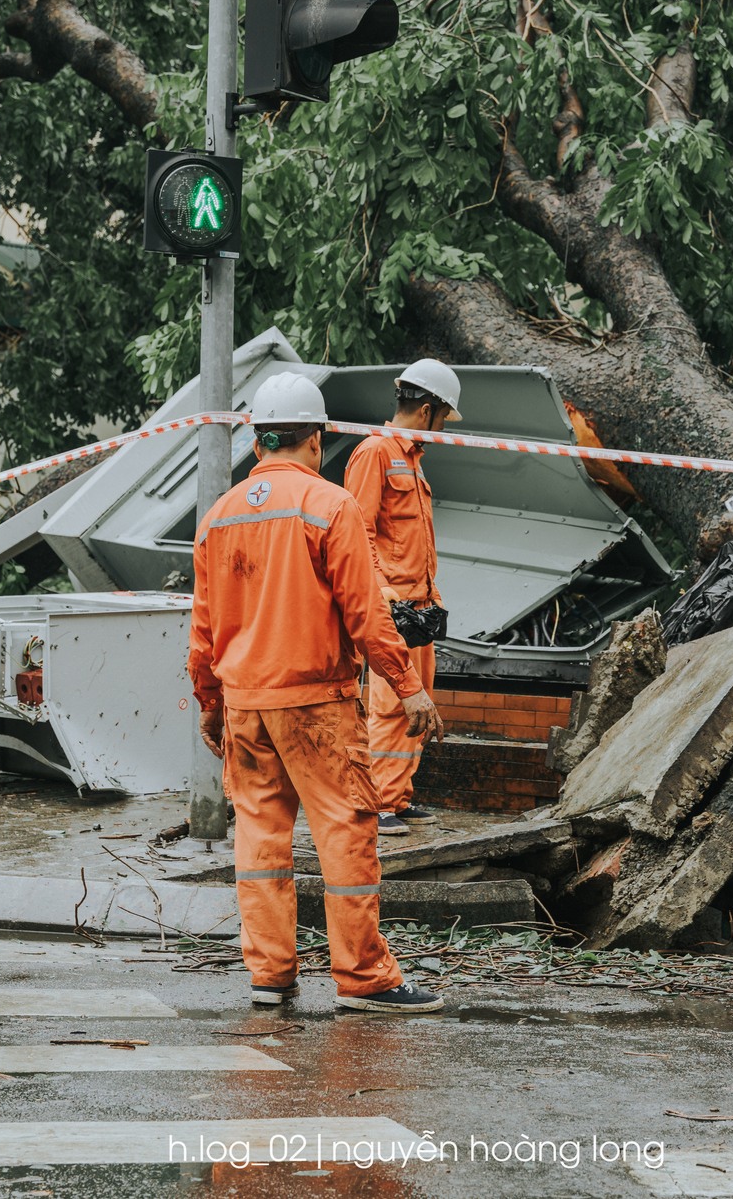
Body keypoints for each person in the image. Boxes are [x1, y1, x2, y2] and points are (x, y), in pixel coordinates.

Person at [188, 371, 449, 1013]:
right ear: (317, 440)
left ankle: (270, 976)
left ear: (257, 444)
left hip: (245, 705)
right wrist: (408, 685)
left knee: (259, 842)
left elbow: (202, 633)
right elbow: (366, 615)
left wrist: (212, 707)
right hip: (315, 705)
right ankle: (364, 978)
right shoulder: (329, 507)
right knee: (346, 833)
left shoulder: (217, 518)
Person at [344, 358, 461, 837]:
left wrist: (429, 595)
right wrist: (382, 590)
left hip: (419, 607)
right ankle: (378, 805)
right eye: (442, 418)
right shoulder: (375, 452)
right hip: (394, 608)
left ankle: (397, 796)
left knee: (418, 706)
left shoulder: (411, 459)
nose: (442, 429)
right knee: (391, 706)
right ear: (428, 409)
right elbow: (358, 531)